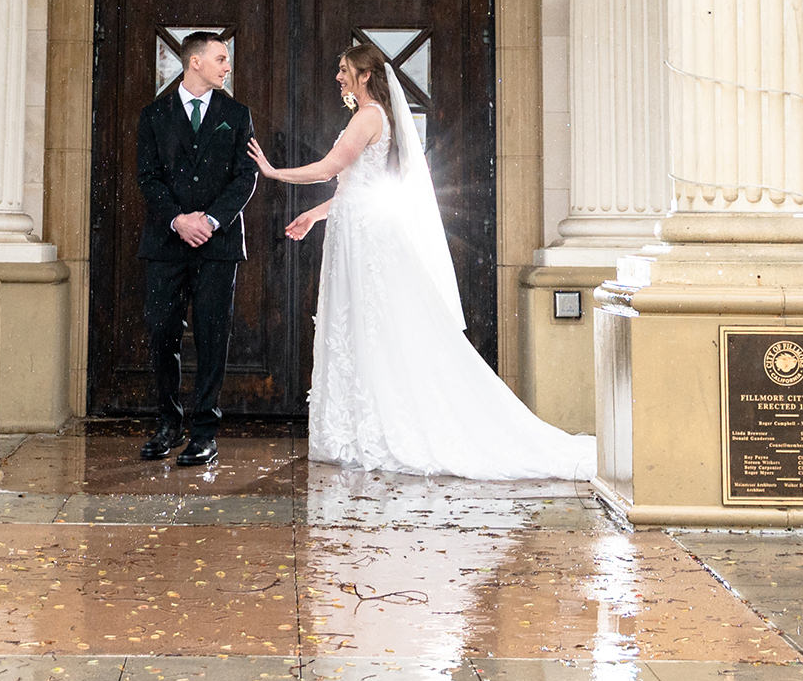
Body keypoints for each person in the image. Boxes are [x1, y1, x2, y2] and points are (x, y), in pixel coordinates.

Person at [251, 36, 596, 481]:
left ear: (366, 75)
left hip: (365, 239)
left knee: (372, 325)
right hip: (355, 230)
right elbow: (352, 189)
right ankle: (358, 428)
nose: (338, 78)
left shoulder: (367, 117)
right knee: (362, 326)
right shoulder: (374, 118)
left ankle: (377, 427)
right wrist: (315, 216)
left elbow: (328, 169)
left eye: (344, 70)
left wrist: (275, 172)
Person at [133, 31, 256, 468]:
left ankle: (204, 433)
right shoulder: (154, 115)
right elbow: (147, 177)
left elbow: (246, 176)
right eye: (221, 59)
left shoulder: (237, 114)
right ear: (195, 62)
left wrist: (210, 220)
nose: (227, 67)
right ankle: (168, 424)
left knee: (211, 337)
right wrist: (178, 220)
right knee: (163, 335)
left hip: (218, 246)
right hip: (167, 244)